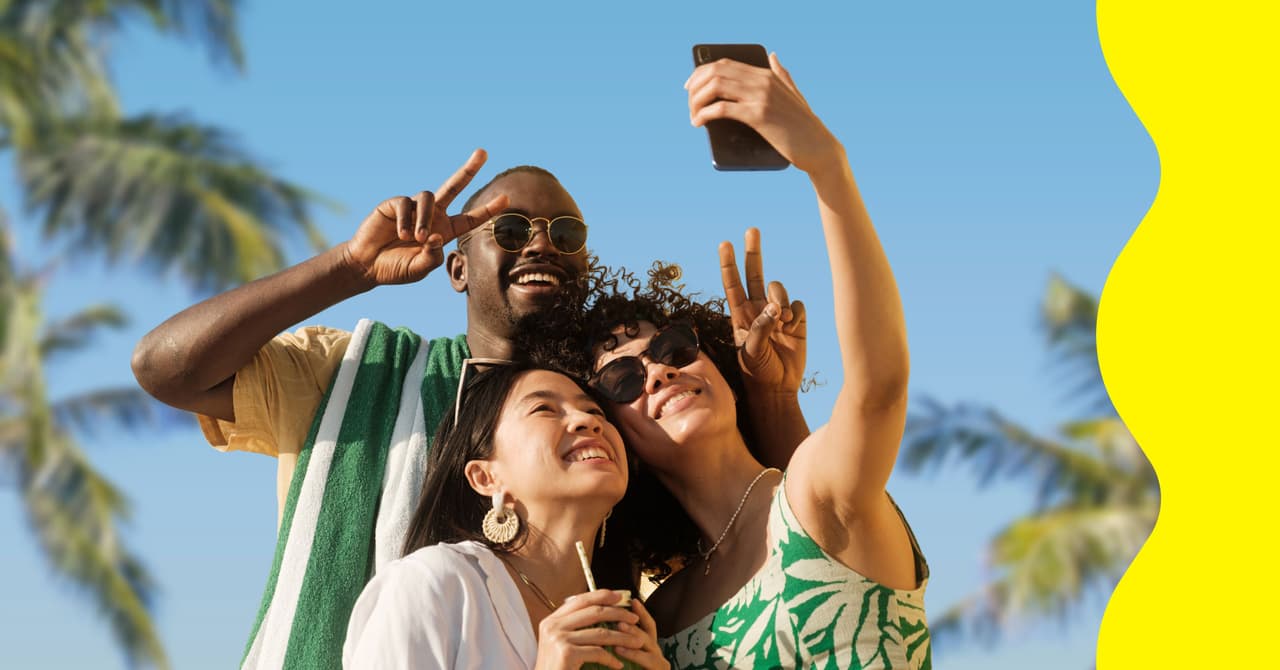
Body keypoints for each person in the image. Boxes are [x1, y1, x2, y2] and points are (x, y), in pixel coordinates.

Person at [130, 152, 809, 669]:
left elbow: (775, 531)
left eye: (567, 233)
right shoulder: (356, 372)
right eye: (509, 229)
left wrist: (773, 397)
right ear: (457, 268)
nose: (541, 244)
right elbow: (165, 368)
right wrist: (351, 266)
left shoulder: (613, 420)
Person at [536, 53, 932, 668]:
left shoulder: (817, 494)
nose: (658, 372)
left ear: (717, 364)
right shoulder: (662, 617)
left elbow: (879, 387)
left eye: (672, 348)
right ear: (616, 437)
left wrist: (827, 168)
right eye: (621, 379)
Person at [343, 361, 669, 669]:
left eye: (595, 411)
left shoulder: (624, 624)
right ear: (486, 477)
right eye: (544, 409)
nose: (589, 421)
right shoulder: (433, 584)